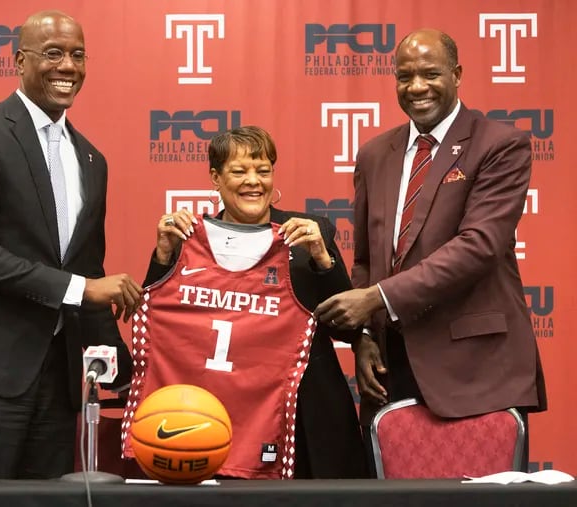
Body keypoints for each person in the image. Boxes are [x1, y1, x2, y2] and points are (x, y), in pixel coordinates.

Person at [0, 10, 143, 479]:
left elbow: (86, 267)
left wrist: (127, 368)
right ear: (19, 60)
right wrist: (84, 289)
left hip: (58, 383)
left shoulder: (91, 158)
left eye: (78, 55)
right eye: (53, 53)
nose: (68, 66)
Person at [314, 28, 546, 471]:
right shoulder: (373, 154)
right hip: (391, 371)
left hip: (475, 367)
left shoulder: (499, 144)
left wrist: (376, 299)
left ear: (457, 75)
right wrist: (364, 336)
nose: (416, 87)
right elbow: (365, 259)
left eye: (430, 74)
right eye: (405, 76)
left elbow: (479, 246)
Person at [133, 126, 368, 479]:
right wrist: (164, 257)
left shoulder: (309, 232)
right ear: (215, 177)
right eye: (239, 171)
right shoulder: (187, 239)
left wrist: (323, 259)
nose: (253, 182)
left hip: (301, 411)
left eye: (263, 170)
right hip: (216, 409)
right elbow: (156, 324)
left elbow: (346, 327)